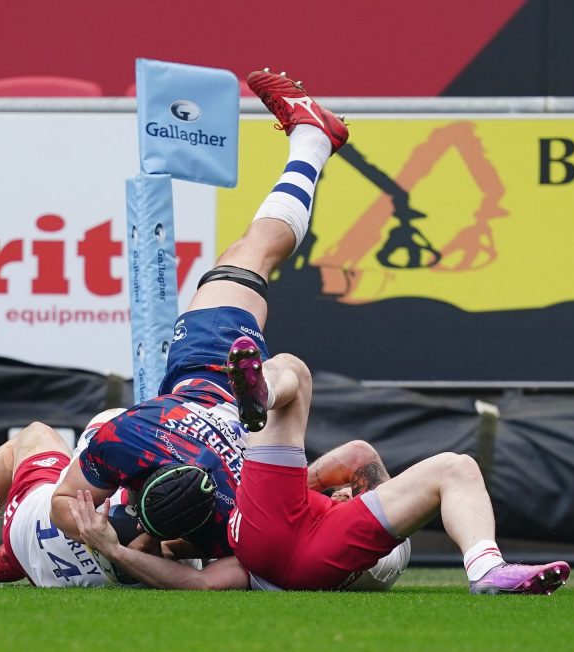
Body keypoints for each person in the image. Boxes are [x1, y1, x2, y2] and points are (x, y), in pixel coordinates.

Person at [49, 67, 351, 558]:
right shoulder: (127, 435)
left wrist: (115, 548)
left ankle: (268, 391)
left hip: (264, 453)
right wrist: (94, 534)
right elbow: (62, 503)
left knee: (245, 258)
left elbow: (206, 570)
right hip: (206, 368)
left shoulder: (228, 525)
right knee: (256, 250)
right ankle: (312, 140)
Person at [70, 334, 570, 595]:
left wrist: (118, 552)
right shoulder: (356, 530)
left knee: (454, 465)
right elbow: (359, 459)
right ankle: (485, 566)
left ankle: (488, 570)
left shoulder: (230, 550)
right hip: (324, 553)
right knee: (455, 467)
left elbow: (198, 581)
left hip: (296, 551)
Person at [0, 411, 183, 587]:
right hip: (90, 570)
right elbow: (209, 577)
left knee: (36, 434)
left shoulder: (125, 425)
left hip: (38, 531)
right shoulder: (214, 527)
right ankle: (13, 558)